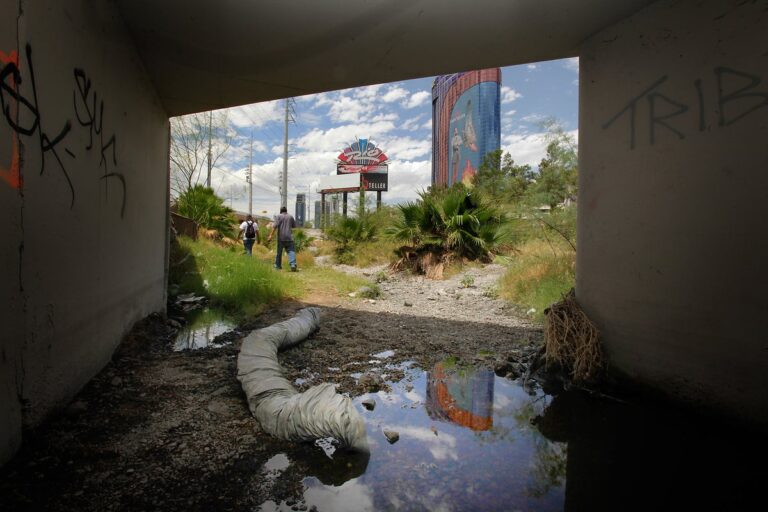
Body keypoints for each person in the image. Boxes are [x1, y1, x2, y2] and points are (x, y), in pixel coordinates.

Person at [267, 206, 297, 271]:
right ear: (286, 211)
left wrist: (270, 235)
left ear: (280, 211)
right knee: (291, 251)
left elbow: (274, 227)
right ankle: (293, 264)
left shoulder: (279, 216)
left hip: (281, 237)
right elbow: (294, 226)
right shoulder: (290, 217)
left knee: (279, 252)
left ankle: (278, 266)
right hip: (289, 237)